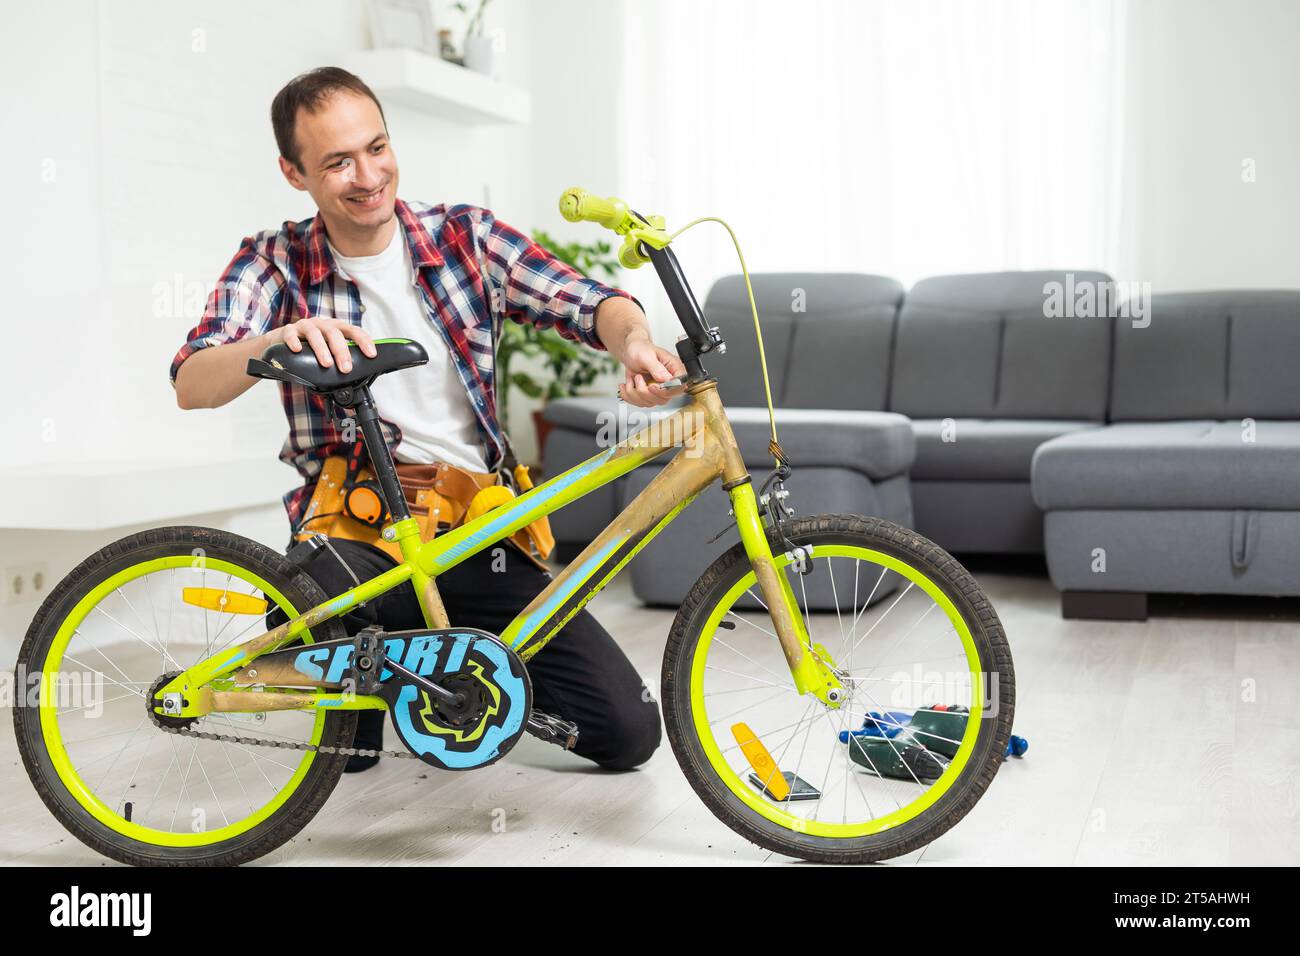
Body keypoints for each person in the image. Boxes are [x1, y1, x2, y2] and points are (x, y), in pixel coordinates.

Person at [171, 66, 686, 772]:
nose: (367, 174)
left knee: (626, 734)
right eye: (337, 162)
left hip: (479, 533)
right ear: (294, 173)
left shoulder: (464, 237)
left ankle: (422, 657)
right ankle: (362, 652)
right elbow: (193, 382)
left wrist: (633, 343)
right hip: (352, 534)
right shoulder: (275, 261)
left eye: (376, 147)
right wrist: (271, 343)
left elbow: (591, 301)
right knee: (347, 755)